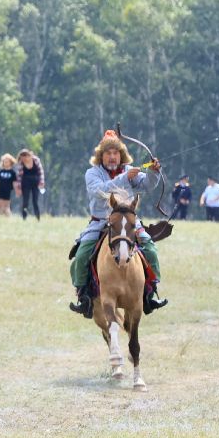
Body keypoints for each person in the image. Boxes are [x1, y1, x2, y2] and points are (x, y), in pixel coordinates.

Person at [69, 130, 167, 317]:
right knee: (81, 256)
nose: (112, 157)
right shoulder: (92, 173)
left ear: (121, 155)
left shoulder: (127, 170)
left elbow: (147, 185)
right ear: (101, 156)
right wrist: (125, 177)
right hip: (100, 223)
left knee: (150, 249)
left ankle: (149, 294)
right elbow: (100, 191)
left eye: (115, 153)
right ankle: (84, 298)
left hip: (128, 222)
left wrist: (154, 172)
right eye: (108, 153)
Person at [16, 148, 44, 220]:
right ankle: (24, 217)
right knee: (25, 201)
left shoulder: (36, 160)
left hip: (35, 183)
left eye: (25, 158)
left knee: (35, 201)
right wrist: (19, 188)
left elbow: (41, 172)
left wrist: (41, 182)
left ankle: (38, 218)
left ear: (28, 155)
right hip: (25, 184)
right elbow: (19, 177)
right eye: (22, 158)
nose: (24, 160)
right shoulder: (21, 164)